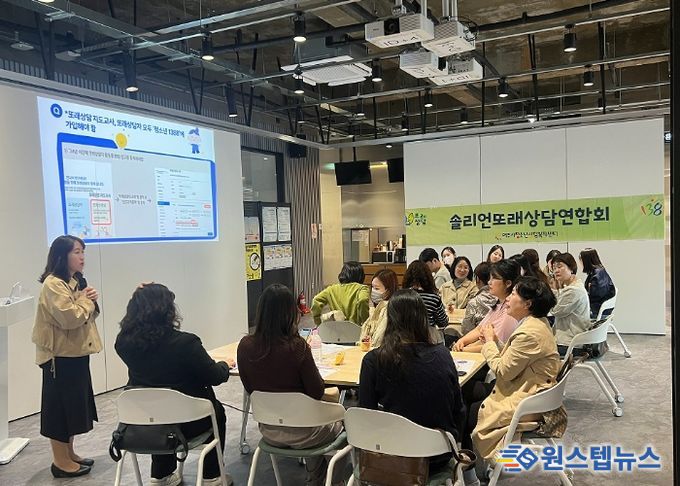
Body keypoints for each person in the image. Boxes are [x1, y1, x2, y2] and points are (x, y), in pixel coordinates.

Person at [115, 283, 233, 486]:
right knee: (216, 411)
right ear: (167, 311)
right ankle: (212, 475)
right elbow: (214, 376)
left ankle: (161, 475)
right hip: (190, 423)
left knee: (159, 408)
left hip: (146, 423)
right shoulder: (186, 344)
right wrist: (224, 365)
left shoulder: (124, 344)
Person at [238, 284, 345, 486]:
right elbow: (316, 392)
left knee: (315, 418)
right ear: (290, 313)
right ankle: (331, 481)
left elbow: (249, 387)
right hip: (306, 432)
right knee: (339, 419)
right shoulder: (297, 347)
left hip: (269, 430)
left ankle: (315, 479)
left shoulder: (245, 346)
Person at [359, 289, 466, 472]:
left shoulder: (374, 360)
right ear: (423, 319)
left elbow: (366, 414)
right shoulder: (443, 354)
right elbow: (458, 409)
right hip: (438, 454)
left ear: (389, 319)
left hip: (392, 458)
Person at [468, 277, 560, 464]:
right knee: (466, 390)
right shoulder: (536, 323)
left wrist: (489, 343)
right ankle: (468, 466)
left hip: (528, 400)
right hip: (525, 388)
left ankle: (469, 466)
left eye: (514, 294)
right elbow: (514, 359)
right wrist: (494, 341)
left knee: (465, 407)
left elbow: (503, 371)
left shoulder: (529, 332)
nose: (508, 299)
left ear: (528, 304)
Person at [32, 235, 102, 478]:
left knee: (73, 407)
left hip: (75, 352)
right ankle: (60, 461)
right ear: (62, 256)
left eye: (83, 251)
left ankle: (69, 453)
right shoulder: (53, 284)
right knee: (60, 410)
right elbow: (70, 318)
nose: (82, 257)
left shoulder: (75, 281)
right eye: (76, 252)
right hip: (59, 358)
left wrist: (90, 300)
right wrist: (87, 301)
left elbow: (85, 315)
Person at [453, 260, 520, 353]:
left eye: (494, 278)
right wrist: (462, 341)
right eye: (490, 278)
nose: (489, 282)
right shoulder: (498, 304)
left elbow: (496, 346)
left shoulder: (510, 311)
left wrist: (464, 349)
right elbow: (479, 329)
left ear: (508, 283)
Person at [552, 252, 592, 351]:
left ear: (571, 268)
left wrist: (554, 289)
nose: (556, 271)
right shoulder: (575, 285)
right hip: (574, 338)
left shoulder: (573, 290)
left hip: (569, 343)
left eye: (559, 267)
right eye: (554, 268)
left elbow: (556, 311)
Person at [311, 261, 370, 325]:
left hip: (337, 327)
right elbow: (363, 300)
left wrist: (318, 321)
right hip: (355, 328)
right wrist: (365, 321)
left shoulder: (331, 289)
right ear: (361, 276)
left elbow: (316, 300)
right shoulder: (361, 288)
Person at [403, 260, 449, 336]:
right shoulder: (434, 298)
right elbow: (443, 322)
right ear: (428, 277)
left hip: (404, 337)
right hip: (427, 337)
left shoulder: (401, 297)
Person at [360, 268, 398, 347]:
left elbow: (378, 341)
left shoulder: (389, 310)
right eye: (372, 287)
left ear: (388, 290)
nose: (373, 291)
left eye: (377, 288)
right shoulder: (374, 309)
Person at [460, 262, 497, 335]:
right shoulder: (502, 298)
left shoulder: (474, 302)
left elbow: (466, 330)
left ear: (477, 279)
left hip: (478, 338)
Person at [580, 248, 616, 319]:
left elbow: (593, 297)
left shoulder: (596, 276)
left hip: (597, 311)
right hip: (602, 310)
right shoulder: (599, 272)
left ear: (585, 261)